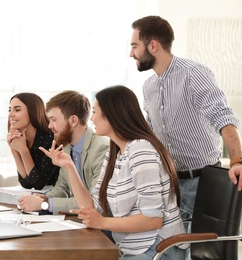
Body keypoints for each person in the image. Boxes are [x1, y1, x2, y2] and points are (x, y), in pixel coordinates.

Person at [129, 15, 242, 222]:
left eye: (135, 46)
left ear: (153, 45)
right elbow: (151, 134)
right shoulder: (148, 86)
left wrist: (237, 160)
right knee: (172, 249)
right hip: (169, 183)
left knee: (199, 250)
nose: (131, 53)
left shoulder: (193, 74)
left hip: (202, 182)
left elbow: (223, 117)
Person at [41, 86, 186, 259]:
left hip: (159, 249)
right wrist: (70, 167)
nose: (92, 118)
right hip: (131, 247)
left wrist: (102, 222)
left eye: (95, 112)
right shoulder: (115, 151)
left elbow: (153, 219)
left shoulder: (141, 150)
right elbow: (91, 205)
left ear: (112, 115)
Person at [17, 90, 109, 215]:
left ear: (73, 121)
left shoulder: (101, 149)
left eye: (54, 120)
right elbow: (63, 186)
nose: (49, 126)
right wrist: (44, 198)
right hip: (81, 222)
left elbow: (93, 203)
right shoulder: (66, 147)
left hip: (102, 227)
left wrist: (46, 205)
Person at [7, 92, 59, 190]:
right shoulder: (22, 140)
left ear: (32, 112)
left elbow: (39, 184)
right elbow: (26, 183)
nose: (10, 114)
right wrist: (13, 148)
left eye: (17, 110)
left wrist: (24, 151)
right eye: (9, 110)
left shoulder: (51, 138)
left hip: (56, 198)